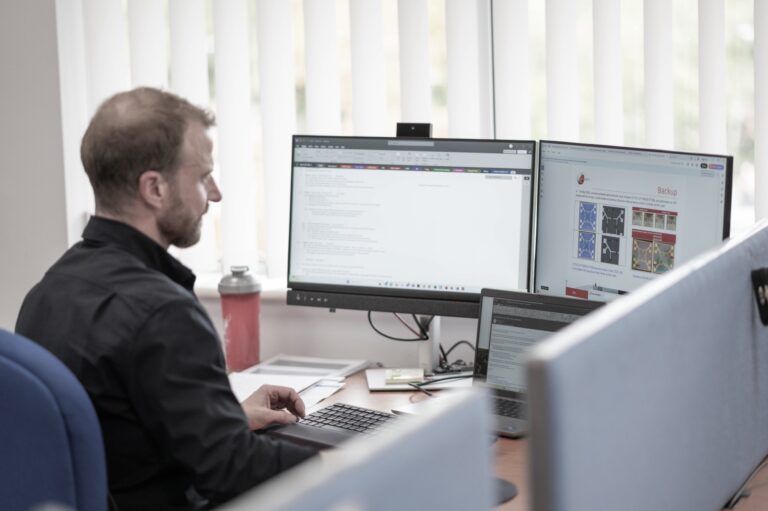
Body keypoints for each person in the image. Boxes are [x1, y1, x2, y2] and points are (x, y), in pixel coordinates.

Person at [15, 87, 317, 510]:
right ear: (154, 189)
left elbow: (112, 433)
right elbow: (232, 471)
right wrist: (360, 456)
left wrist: (223, 418)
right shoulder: (162, 313)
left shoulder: (48, 292)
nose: (214, 194)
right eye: (201, 177)